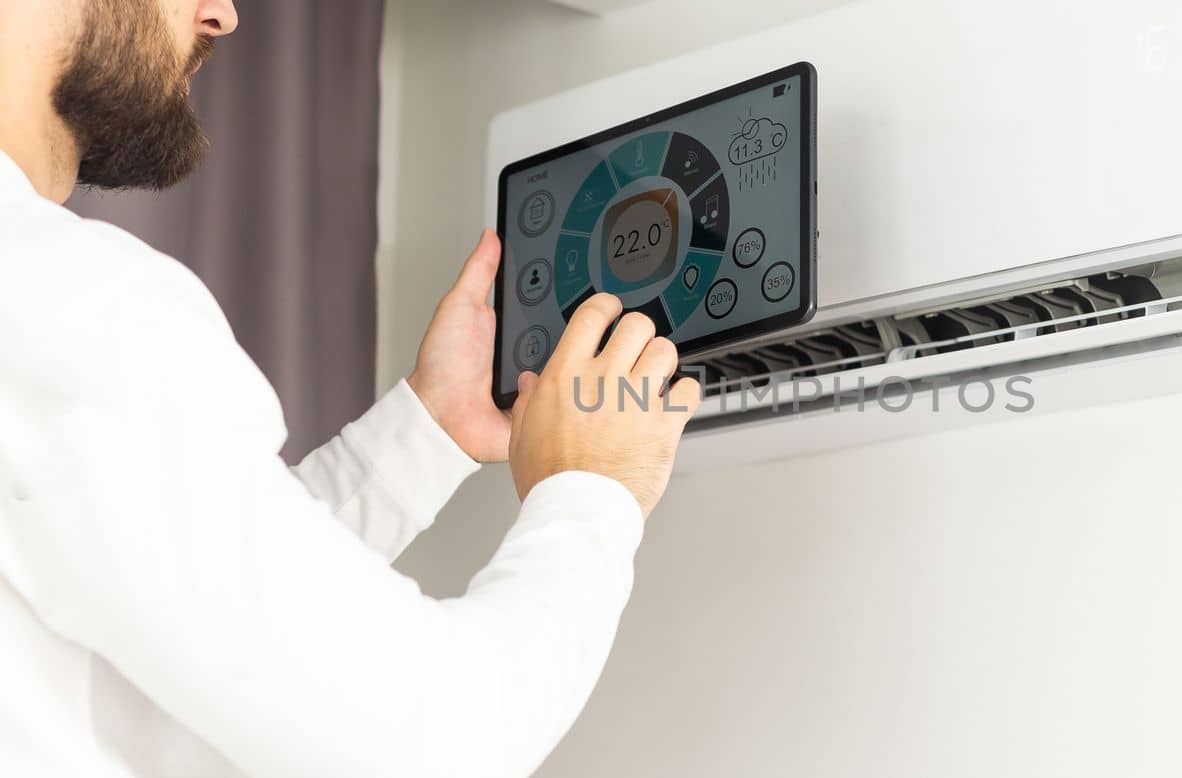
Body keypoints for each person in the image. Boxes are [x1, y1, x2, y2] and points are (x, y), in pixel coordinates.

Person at [0, 0, 701, 775]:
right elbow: (433, 735)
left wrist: (424, 434)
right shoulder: (68, 298)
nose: (222, 16)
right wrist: (591, 493)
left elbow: (190, 618)